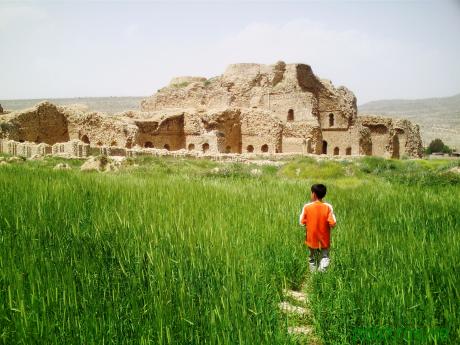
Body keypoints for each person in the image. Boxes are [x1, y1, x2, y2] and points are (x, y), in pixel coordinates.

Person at [299, 184, 337, 272]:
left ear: (314, 194)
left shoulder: (307, 207)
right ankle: (321, 274)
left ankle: (313, 276)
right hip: (324, 239)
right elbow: (333, 223)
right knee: (325, 257)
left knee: (312, 258)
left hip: (311, 239)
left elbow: (301, 222)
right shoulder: (328, 207)